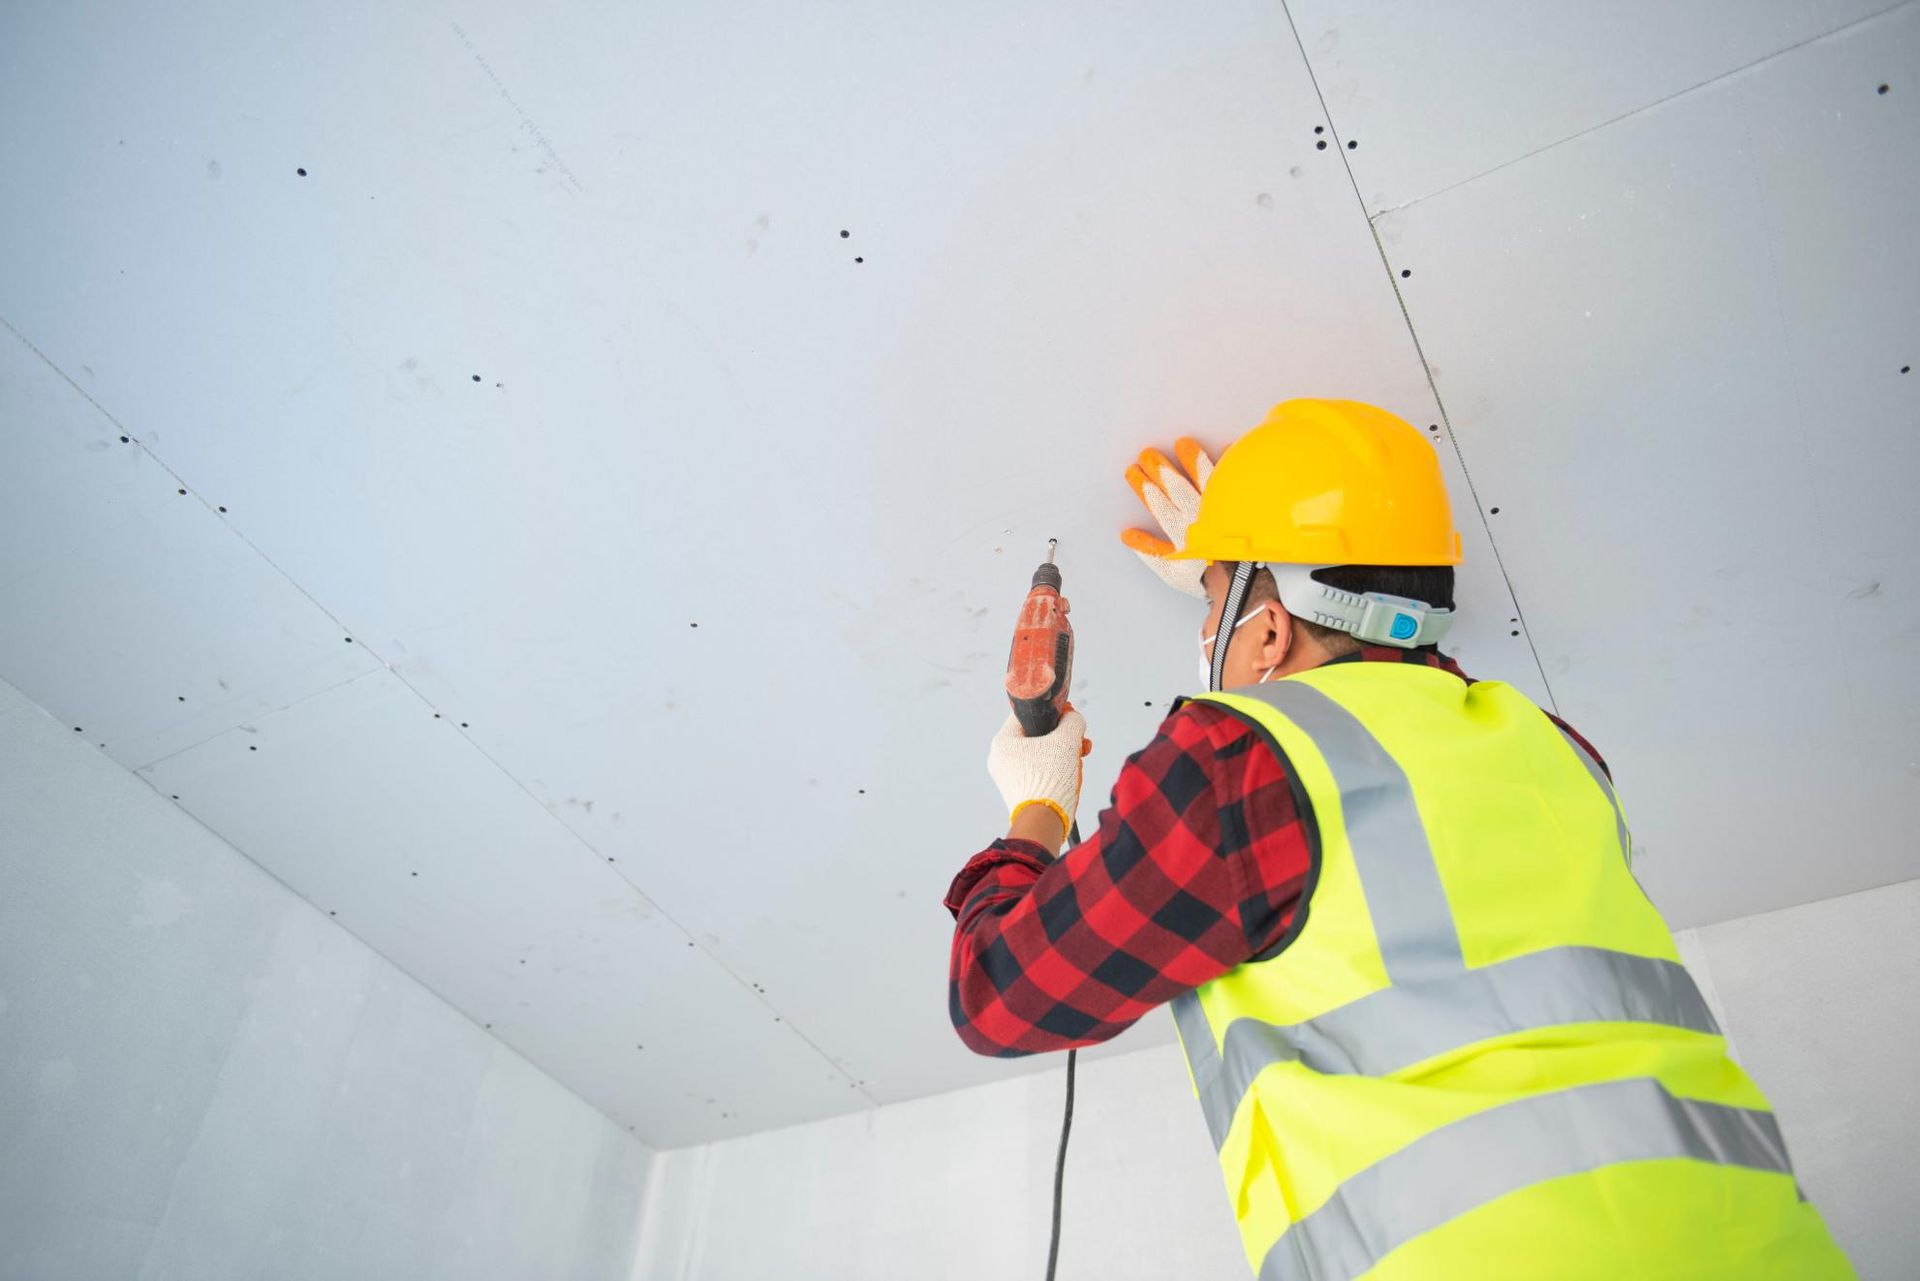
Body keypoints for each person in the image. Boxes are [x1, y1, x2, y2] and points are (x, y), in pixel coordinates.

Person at [945, 399, 1852, 1279]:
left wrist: (1039, 806)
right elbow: (1388, 693)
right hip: (1766, 1250)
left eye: (1213, 602)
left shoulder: (1237, 761)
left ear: (1265, 632)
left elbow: (997, 995)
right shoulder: (1555, 746)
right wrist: (1245, 577)